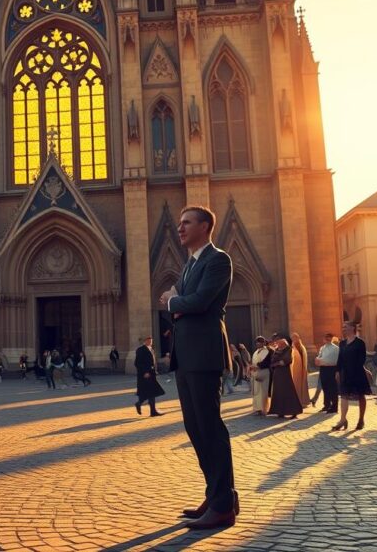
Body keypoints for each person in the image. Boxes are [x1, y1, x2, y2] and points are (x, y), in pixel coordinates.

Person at [158, 205, 237, 530]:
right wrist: (178, 302)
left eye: (186, 223)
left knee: (209, 427)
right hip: (187, 354)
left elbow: (198, 301)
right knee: (195, 427)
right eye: (179, 223)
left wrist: (175, 302)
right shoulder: (190, 265)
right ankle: (218, 495)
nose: (180, 228)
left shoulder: (217, 260)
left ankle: (222, 506)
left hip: (204, 353)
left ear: (205, 226)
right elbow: (176, 302)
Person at [332, 321, 371, 431]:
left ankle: (361, 420)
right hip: (345, 373)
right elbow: (340, 358)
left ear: (352, 328)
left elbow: (362, 359)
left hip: (357, 373)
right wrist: (337, 371)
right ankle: (342, 420)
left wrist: (356, 369)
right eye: (343, 327)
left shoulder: (360, 343)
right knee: (343, 395)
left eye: (345, 327)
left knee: (360, 396)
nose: (343, 328)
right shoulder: (342, 343)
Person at [265, 334, 302, 419]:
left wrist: (278, 362)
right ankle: (280, 411)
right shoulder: (277, 350)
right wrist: (277, 363)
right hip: (277, 373)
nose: (278, 343)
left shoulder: (288, 349)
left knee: (288, 391)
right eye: (277, 342)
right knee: (278, 392)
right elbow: (273, 360)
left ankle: (294, 411)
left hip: (285, 373)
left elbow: (287, 360)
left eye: (279, 342)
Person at [134, 336, 165, 416]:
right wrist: (145, 372)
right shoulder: (141, 350)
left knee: (152, 392)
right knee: (148, 392)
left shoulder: (151, 349)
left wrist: (155, 370)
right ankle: (141, 404)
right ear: (145, 341)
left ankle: (152, 411)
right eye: (148, 340)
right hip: (144, 375)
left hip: (151, 374)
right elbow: (137, 363)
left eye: (151, 340)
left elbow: (152, 362)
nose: (150, 342)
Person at [315, 334, 339, 414]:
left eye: (329, 338)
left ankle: (334, 406)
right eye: (326, 338)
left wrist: (337, 371)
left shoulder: (336, 348)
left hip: (332, 369)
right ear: (324, 339)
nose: (328, 339)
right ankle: (326, 405)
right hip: (323, 369)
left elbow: (336, 360)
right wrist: (318, 359)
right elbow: (319, 357)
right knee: (325, 387)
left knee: (332, 388)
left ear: (331, 339)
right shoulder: (322, 348)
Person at [249, 336, 271, 415]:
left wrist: (257, 366)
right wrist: (251, 368)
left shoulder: (266, 351)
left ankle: (263, 408)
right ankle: (257, 408)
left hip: (263, 372)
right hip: (255, 373)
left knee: (263, 391)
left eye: (260, 342)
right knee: (256, 391)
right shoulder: (256, 352)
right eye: (257, 342)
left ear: (263, 343)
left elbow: (266, 362)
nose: (258, 344)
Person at [290, 332, 311, 407]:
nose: (293, 339)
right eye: (292, 338)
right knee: (295, 385)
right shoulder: (291, 347)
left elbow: (304, 359)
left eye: (295, 338)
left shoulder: (301, 347)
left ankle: (302, 401)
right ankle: (295, 401)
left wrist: (304, 370)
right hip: (294, 369)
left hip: (300, 370)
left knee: (301, 385)